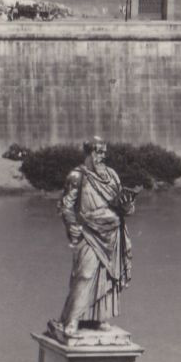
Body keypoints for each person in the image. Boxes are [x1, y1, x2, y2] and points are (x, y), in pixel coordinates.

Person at [52, 136, 136, 337]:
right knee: (85, 274)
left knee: (107, 276)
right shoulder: (76, 176)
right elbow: (66, 206)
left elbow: (125, 205)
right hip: (88, 233)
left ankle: (99, 318)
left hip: (113, 234)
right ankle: (71, 320)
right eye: (98, 152)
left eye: (104, 152)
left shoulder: (112, 175)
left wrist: (127, 206)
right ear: (89, 153)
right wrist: (71, 224)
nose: (102, 156)